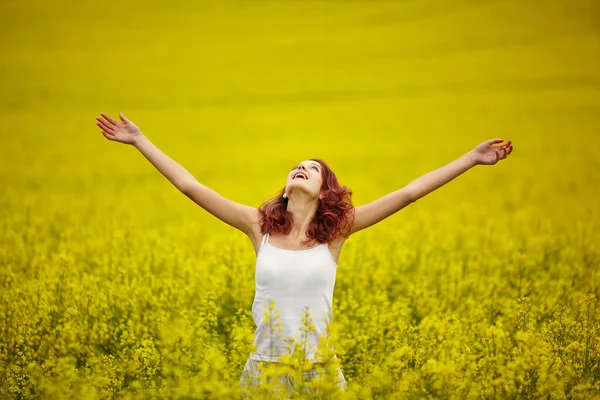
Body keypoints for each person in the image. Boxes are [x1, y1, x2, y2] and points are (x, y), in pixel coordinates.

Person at [95, 112, 514, 394]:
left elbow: (409, 193)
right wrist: (140, 141)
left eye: (312, 168)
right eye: (296, 165)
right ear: (284, 186)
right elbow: (190, 186)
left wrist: (471, 159)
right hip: (263, 370)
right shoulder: (257, 227)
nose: (301, 168)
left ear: (325, 190)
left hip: (319, 374)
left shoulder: (336, 233)